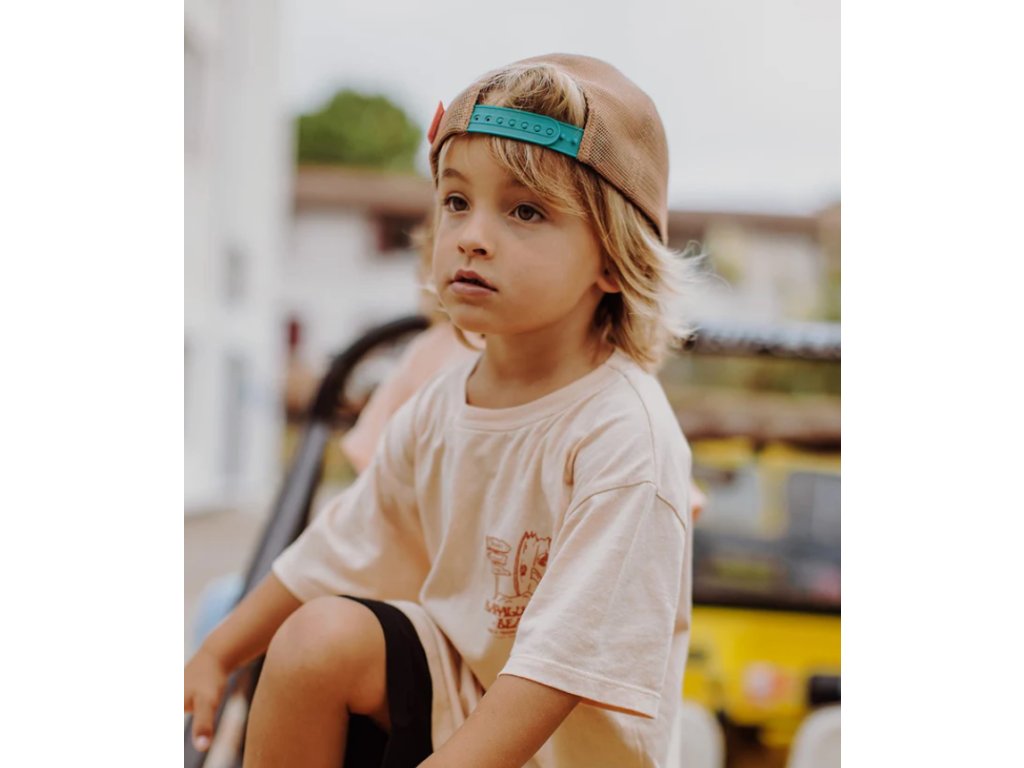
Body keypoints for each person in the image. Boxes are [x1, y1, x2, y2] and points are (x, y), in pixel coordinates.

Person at [185, 53, 704, 767]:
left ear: (614, 259)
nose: (471, 235)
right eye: (457, 201)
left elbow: (558, 668)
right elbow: (340, 548)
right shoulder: (439, 405)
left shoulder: (623, 437)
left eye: (525, 210)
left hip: (564, 745)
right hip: (462, 701)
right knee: (314, 638)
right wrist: (220, 650)